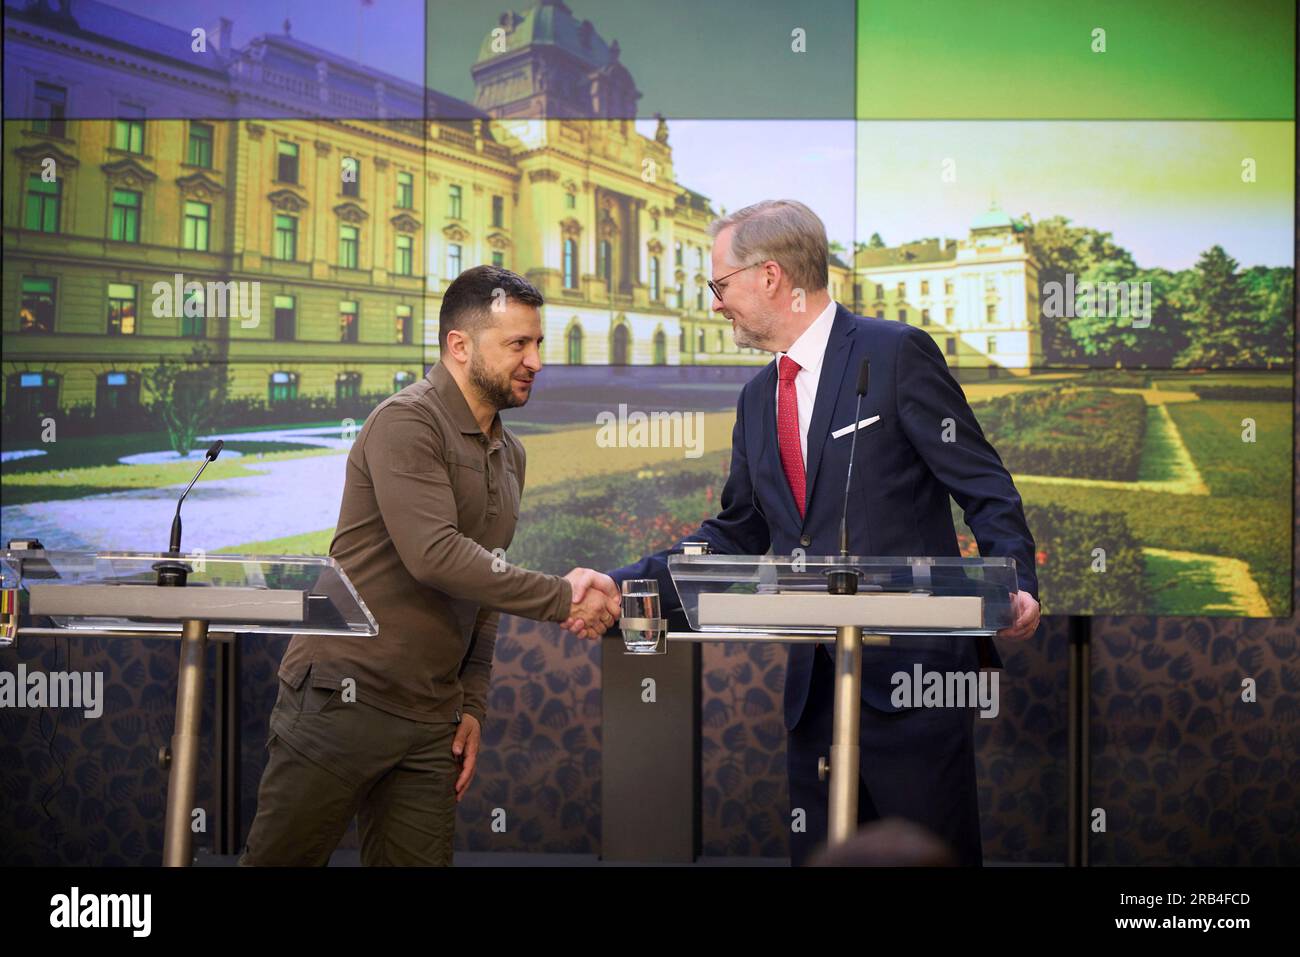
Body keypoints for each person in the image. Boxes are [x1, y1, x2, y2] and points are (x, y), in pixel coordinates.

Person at [609, 200, 1041, 866]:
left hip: (912, 686)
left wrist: (1015, 579)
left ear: (772, 277)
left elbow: (983, 483)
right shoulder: (758, 396)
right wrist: (621, 586)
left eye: (720, 285)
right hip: (816, 696)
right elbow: (736, 532)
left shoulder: (895, 354)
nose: (716, 303)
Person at [241, 265, 620, 866]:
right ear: (459, 346)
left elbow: (484, 585)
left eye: (538, 343)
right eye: (517, 344)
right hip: (341, 699)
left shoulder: (511, 452)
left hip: (429, 721)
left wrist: (471, 706)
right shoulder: (406, 420)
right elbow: (435, 556)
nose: (536, 361)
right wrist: (563, 597)